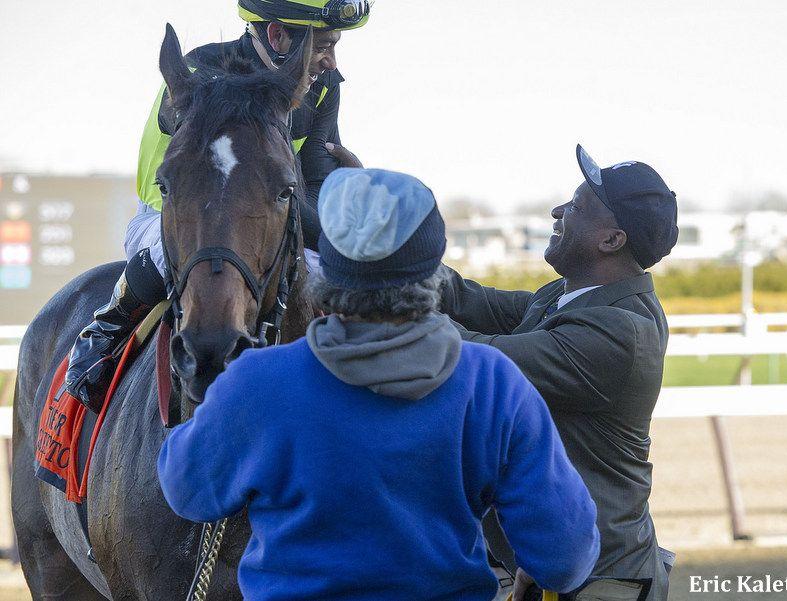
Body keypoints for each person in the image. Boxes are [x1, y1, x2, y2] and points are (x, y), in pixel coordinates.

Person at [157, 168, 600, 601]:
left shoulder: (256, 383)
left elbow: (187, 491)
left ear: (326, 269)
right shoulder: (494, 383)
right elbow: (564, 559)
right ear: (432, 272)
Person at [65, 0, 370, 411]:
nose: (330, 62)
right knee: (176, 247)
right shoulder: (198, 75)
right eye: (322, 47)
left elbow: (314, 184)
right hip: (175, 206)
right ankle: (107, 326)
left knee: (331, 269)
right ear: (278, 35)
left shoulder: (323, 87)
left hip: (269, 211)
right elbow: (184, 186)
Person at [440, 145, 680, 601]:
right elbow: (462, 298)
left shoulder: (618, 332)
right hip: (557, 567)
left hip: (598, 581)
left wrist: (378, 289)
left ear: (611, 240)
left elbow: (473, 358)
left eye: (578, 206)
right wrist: (372, 228)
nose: (557, 211)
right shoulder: (568, 297)